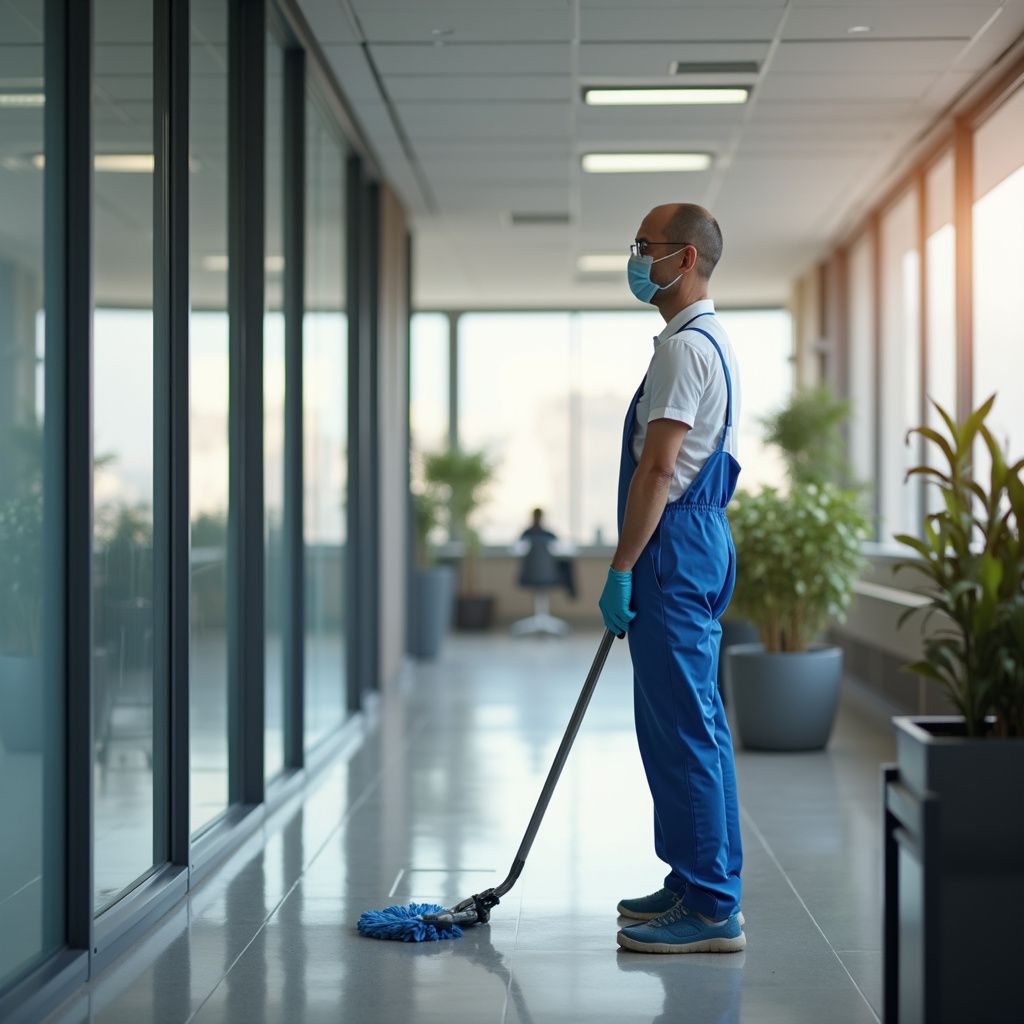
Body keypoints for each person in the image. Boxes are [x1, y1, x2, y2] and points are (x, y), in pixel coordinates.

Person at [599, 203, 745, 954]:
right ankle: (696, 878)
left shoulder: (685, 351)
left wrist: (623, 566)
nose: (635, 258)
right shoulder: (702, 342)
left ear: (684, 259)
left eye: (645, 247)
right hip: (697, 538)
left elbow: (659, 469)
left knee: (684, 727)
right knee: (694, 723)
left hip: (673, 546)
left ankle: (713, 905)